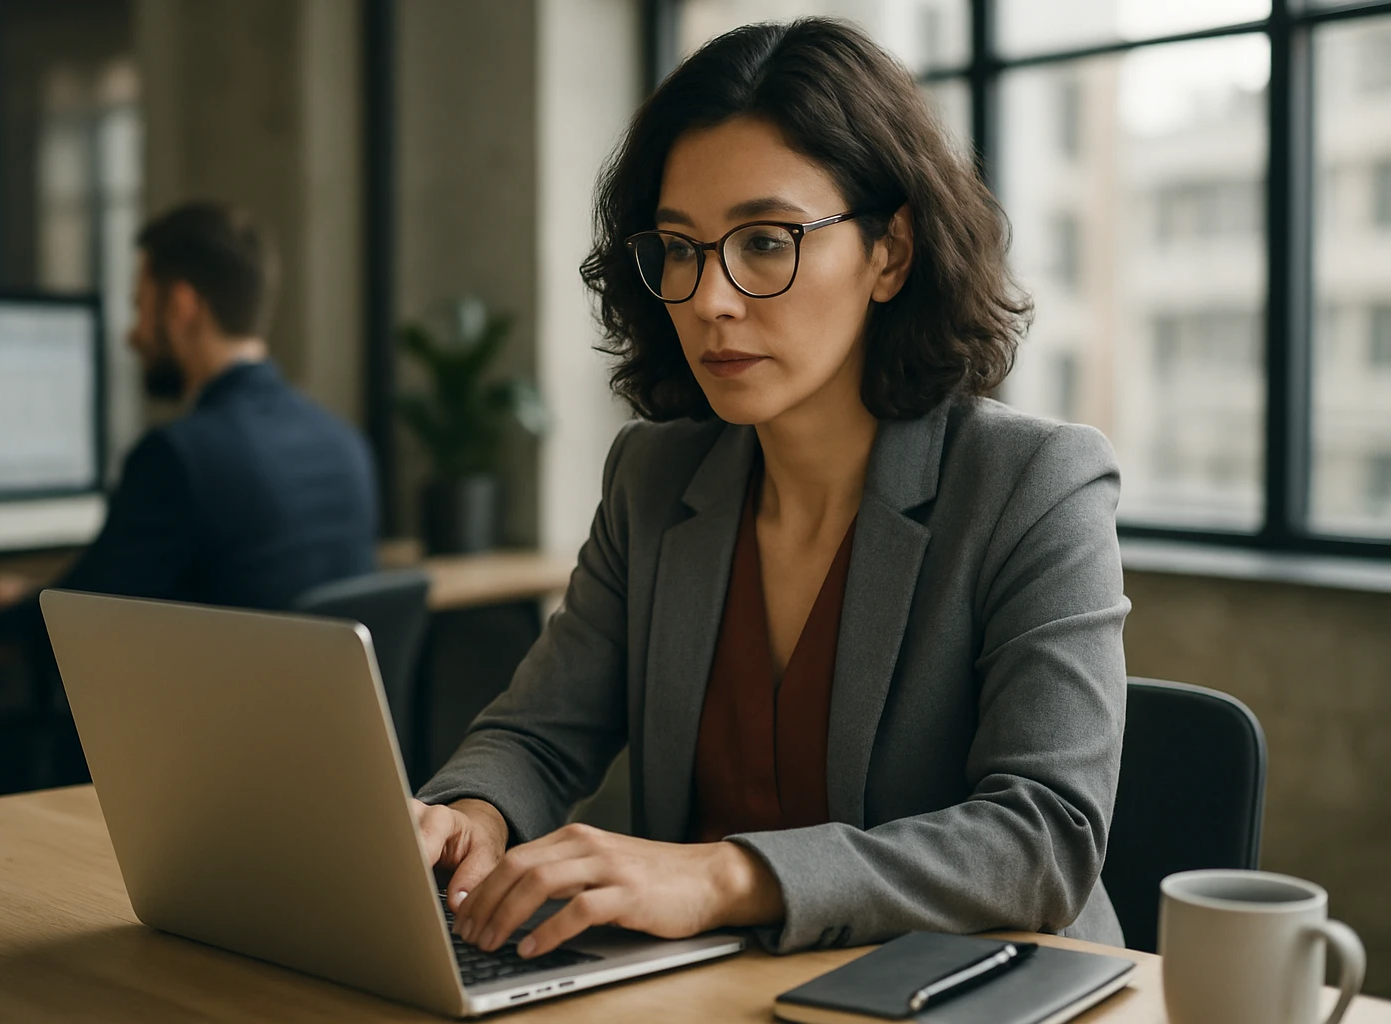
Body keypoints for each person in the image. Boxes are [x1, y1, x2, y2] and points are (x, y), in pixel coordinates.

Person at [413, 18, 1129, 960]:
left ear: (891, 252)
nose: (709, 298)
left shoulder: (1035, 483)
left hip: (971, 995)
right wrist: (472, 812)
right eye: (678, 247)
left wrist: (723, 875)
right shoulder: (654, 478)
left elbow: (1043, 839)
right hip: (714, 995)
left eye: (764, 241)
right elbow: (539, 736)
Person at [0, 201, 380, 653]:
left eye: (140, 307)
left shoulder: (179, 458)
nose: (131, 335)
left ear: (181, 307)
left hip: (203, 723)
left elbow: (73, 622)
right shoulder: (346, 445)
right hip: (316, 723)